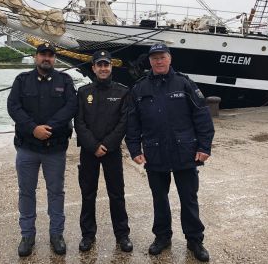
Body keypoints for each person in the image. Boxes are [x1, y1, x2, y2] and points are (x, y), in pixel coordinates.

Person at [125, 43, 215, 262]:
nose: (158, 61)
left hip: (185, 152)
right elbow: (132, 123)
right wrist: (135, 149)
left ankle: (195, 240)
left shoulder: (185, 84)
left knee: (189, 199)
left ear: (170, 59)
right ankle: (162, 237)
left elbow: (202, 116)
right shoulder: (139, 88)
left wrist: (204, 147)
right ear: (149, 61)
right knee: (159, 199)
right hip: (155, 153)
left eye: (162, 57)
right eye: (154, 58)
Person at [7, 42, 77, 257]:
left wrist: (50, 128)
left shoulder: (64, 80)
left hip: (54, 149)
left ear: (54, 59)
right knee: (26, 193)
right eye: (42, 54)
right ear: (35, 57)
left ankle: (56, 234)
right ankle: (27, 235)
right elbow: (13, 107)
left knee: (56, 192)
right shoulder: (22, 80)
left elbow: (71, 107)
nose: (46, 58)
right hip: (27, 148)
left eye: (50, 55)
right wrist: (33, 128)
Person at [74, 50, 133, 252]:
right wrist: (93, 146)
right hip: (89, 152)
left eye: (106, 64)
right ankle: (88, 235)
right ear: (93, 68)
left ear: (111, 67)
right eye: (99, 65)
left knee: (116, 194)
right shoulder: (83, 92)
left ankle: (122, 235)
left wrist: (107, 145)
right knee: (88, 194)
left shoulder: (122, 92)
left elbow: (124, 122)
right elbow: (79, 122)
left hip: (112, 151)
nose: (103, 68)